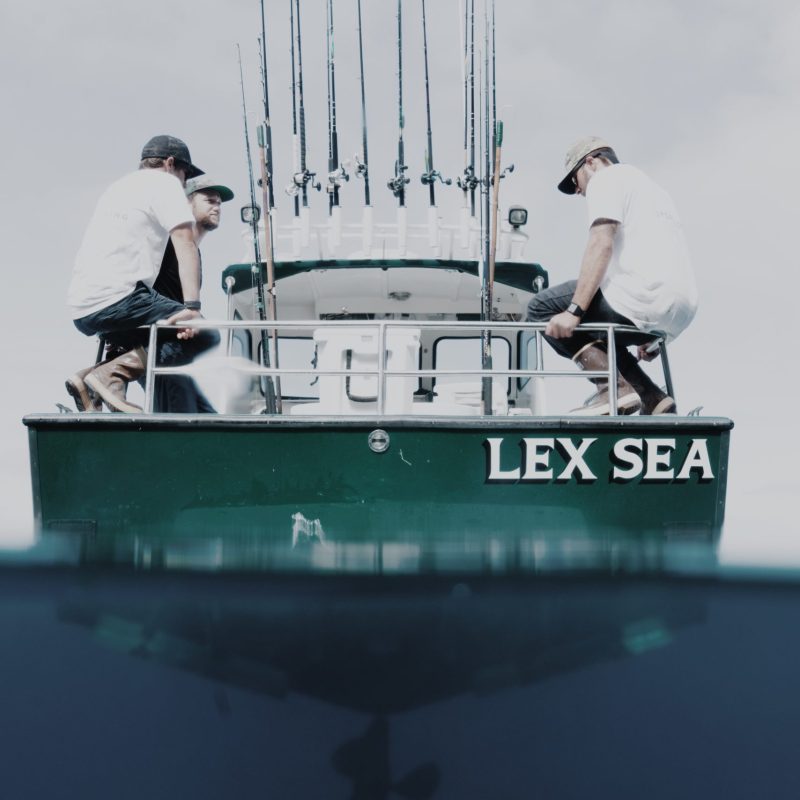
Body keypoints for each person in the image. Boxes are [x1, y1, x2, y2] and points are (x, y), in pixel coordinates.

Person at [526, 136, 698, 415]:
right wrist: (652, 338)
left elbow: (601, 242)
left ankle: (612, 390)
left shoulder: (606, 179)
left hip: (643, 297)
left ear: (592, 161)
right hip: (678, 311)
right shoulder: (653, 189)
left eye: (575, 181)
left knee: (542, 308)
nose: (578, 190)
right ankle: (653, 398)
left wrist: (574, 310)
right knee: (601, 335)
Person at [66, 135, 219, 412]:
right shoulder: (165, 183)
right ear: (171, 164)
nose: (184, 182)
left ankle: (92, 374)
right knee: (204, 333)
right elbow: (184, 239)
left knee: (165, 338)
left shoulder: (118, 187)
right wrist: (192, 308)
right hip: (119, 298)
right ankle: (109, 375)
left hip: (83, 309)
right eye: (185, 175)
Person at [148, 174, 234, 412]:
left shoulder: (193, 254)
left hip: (180, 355)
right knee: (182, 427)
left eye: (219, 203)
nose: (217, 207)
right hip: (167, 354)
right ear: (187, 204)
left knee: (210, 423)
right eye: (209, 200)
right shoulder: (169, 245)